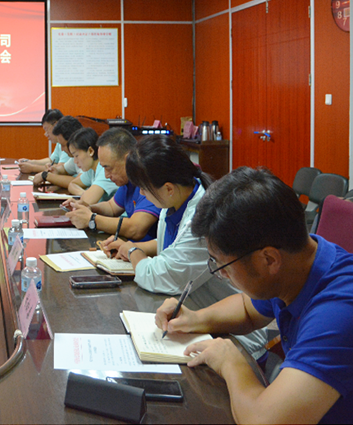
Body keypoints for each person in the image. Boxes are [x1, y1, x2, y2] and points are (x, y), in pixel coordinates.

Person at [155, 167, 353, 424]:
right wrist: (195, 318)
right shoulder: (298, 262)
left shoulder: (342, 311)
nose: (221, 274)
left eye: (223, 266)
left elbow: (263, 420)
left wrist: (230, 361)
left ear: (268, 259)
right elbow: (249, 308)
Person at [102, 135, 266, 357]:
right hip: (197, 321)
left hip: (235, 340)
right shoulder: (176, 201)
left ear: (168, 188)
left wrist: (133, 252)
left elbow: (158, 275)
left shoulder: (201, 220)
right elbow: (175, 247)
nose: (141, 193)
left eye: (144, 188)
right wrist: (133, 247)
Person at [65, 128, 159, 241]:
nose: (106, 175)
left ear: (128, 160)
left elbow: (135, 229)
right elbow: (111, 207)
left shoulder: (149, 181)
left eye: (108, 168)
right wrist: (89, 208)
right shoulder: (128, 181)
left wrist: (91, 219)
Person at [66, 127, 118, 205]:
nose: (75, 161)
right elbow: (72, 184)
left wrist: (86, 196)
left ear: (90, 151)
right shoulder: (92, 169)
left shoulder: (105, 170)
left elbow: (87, 201)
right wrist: (84, 193)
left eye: (76, 155)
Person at [34, 115, 82, 189]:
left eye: (63, 145)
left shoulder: (84, 156)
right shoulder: (75, 157)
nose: (62, 149)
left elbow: (79, 182)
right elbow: (64, 169)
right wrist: (54, 169)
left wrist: (46, 175)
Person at [18, 109, 63, 174]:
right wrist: (30, 162)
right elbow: (51, 160)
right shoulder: (59, 141)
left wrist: (32, 168)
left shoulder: (66, 141)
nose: (46, 134)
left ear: (56, 125)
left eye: (46, 129)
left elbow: (61, 168)